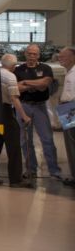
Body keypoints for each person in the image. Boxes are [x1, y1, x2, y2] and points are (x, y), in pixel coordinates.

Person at [0, 54, 33, 188]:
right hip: (4, 113)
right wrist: (24, 116)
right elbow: (14, 98)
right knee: (13, 147)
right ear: (13, 66)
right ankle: (16, 179)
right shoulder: (10, 76)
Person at [14, 44, 62, 179]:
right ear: (25, 54)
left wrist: (25, 83)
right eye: (29, 53)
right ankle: (31, 169)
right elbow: (16, 88)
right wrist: (35, 84)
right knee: (25, 140)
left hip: (40, 107)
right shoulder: (18, 70)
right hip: (24, 106)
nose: (32, 56)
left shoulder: (45, 68)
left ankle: (54, 170)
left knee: (47, 139)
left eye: (34, 54)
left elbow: (44, 84)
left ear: (38, 55)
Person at [57, 46, 75, 187]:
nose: (60, 58)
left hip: (71, 108)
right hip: (67, 108)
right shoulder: (69, 71)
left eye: (63, 56)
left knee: (72, 142)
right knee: (70, 143)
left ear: (72, 57)